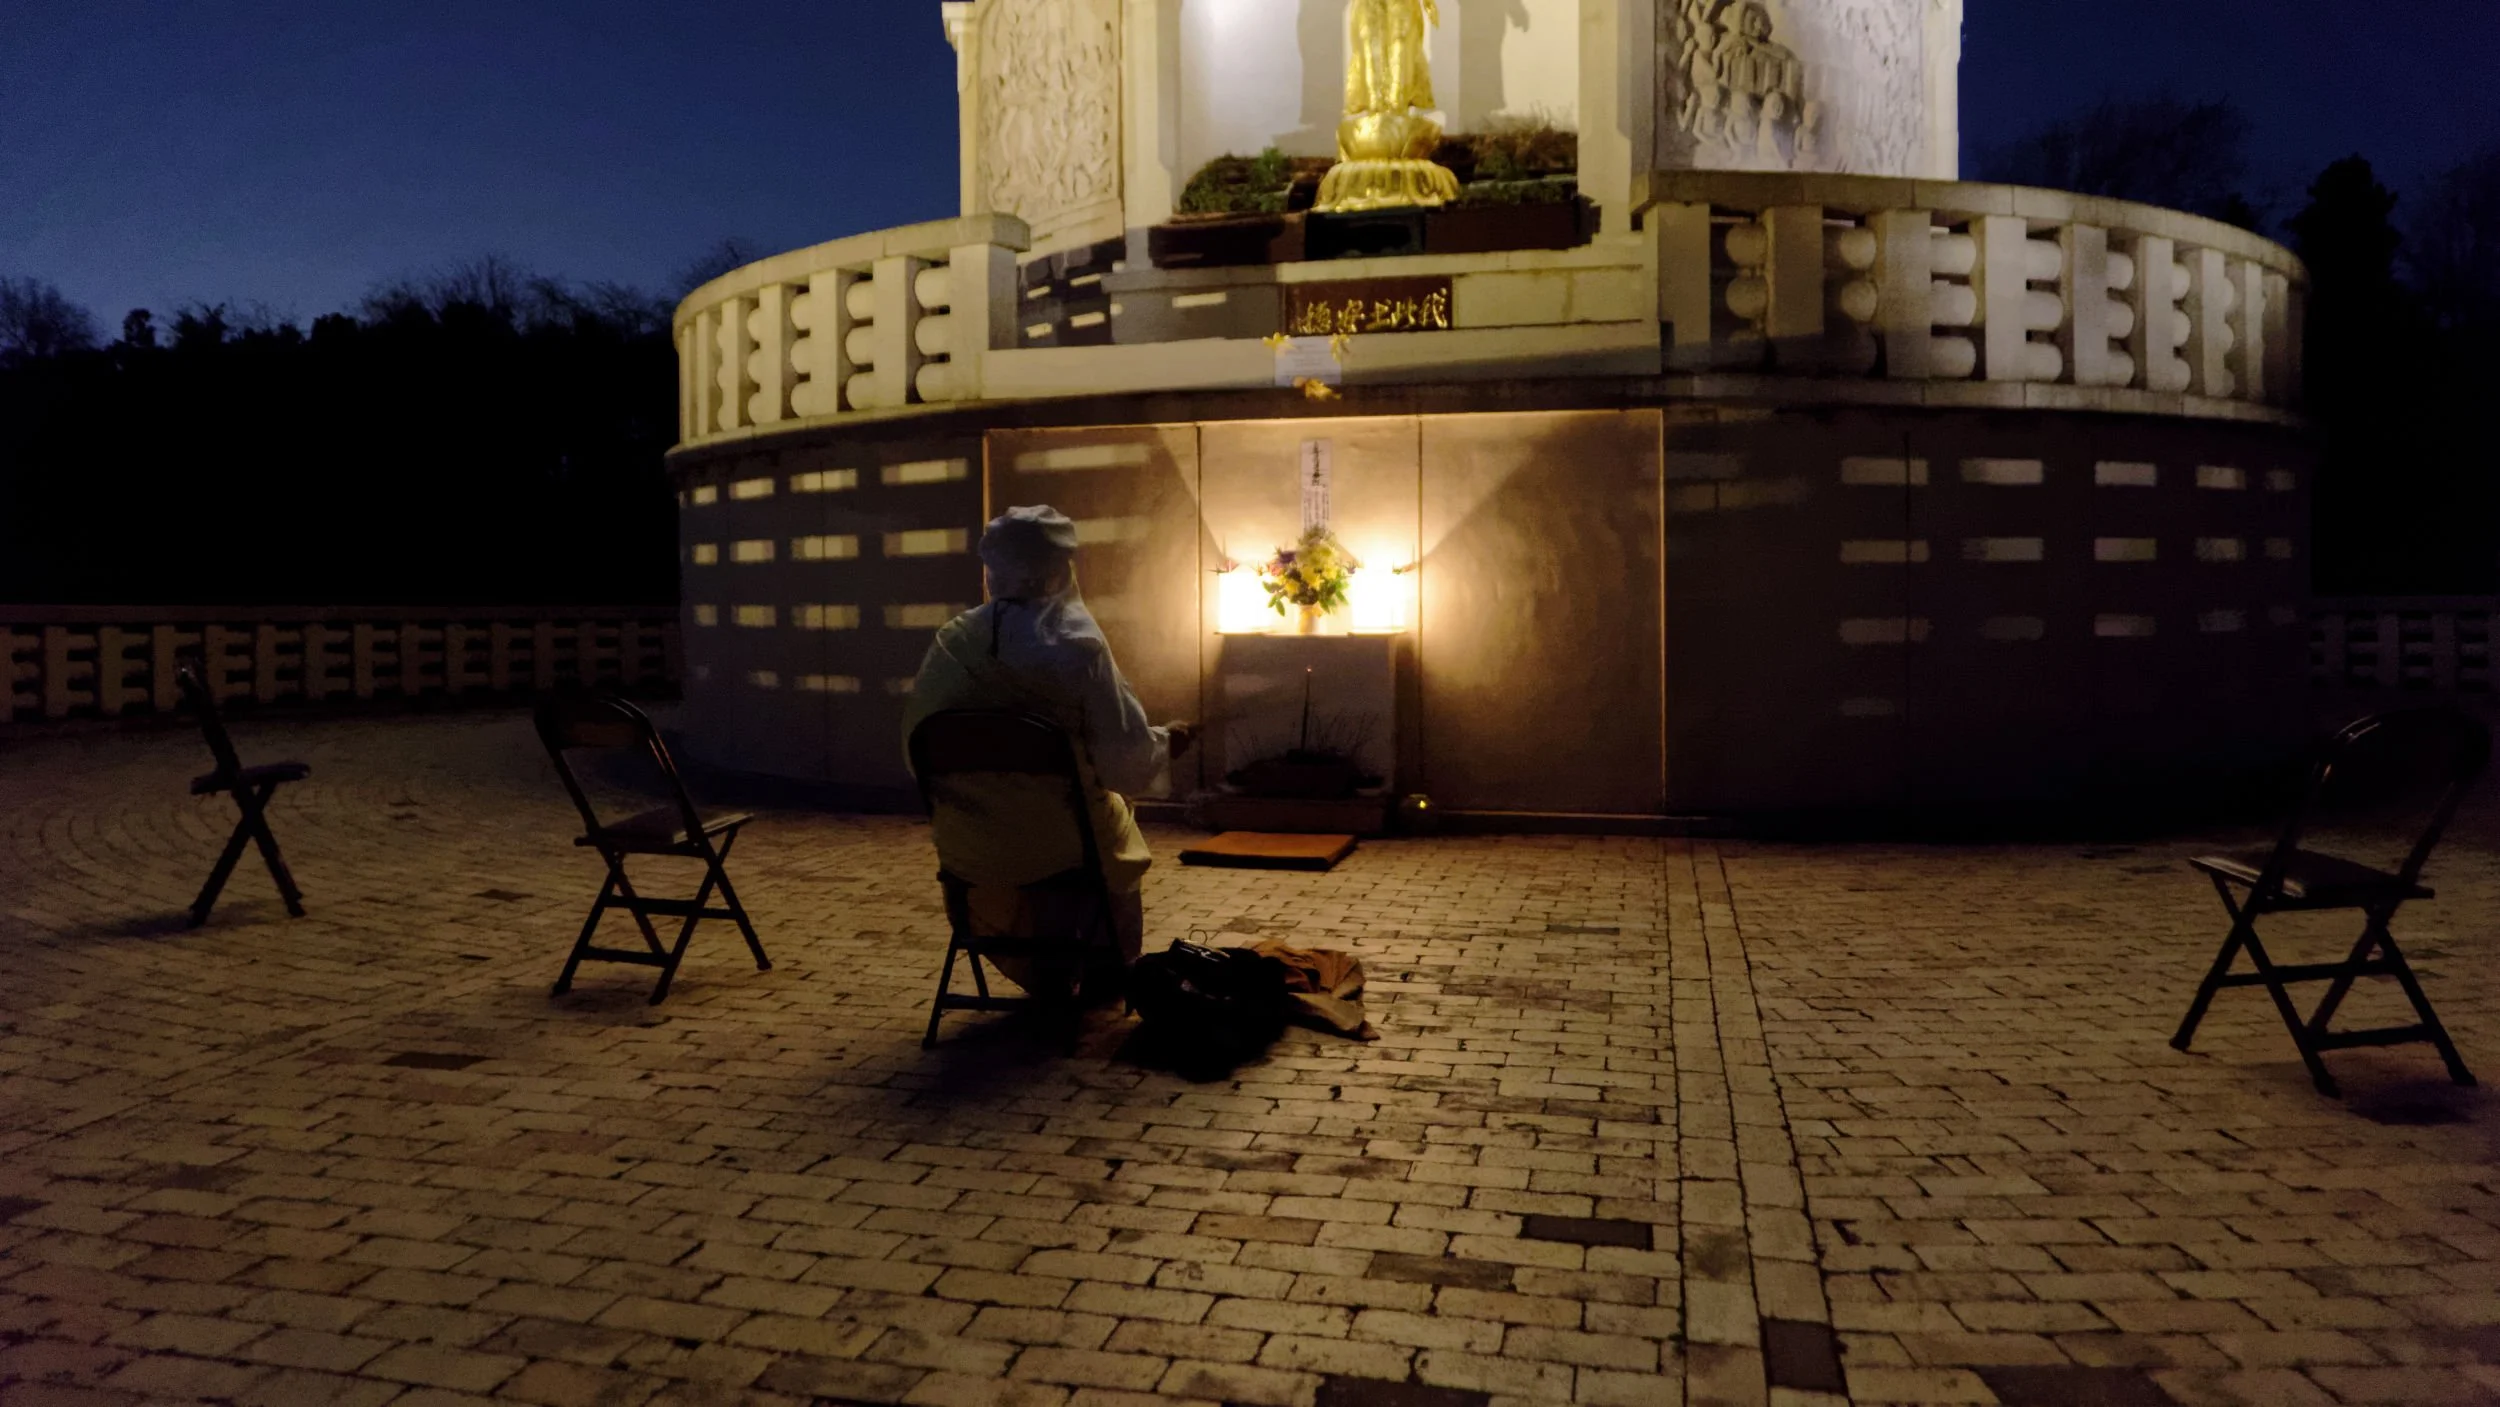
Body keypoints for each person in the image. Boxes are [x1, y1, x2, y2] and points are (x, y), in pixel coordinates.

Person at [902, 505, 1195, 994]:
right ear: (1062, 570)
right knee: (1118, 815)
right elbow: (1126, 763)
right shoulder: (1080, 648)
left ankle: (1043, 970)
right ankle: (1106, 971)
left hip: (968, 846)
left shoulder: (953, 641)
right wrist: (1170, 741)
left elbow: (917, 752)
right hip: (1062, 846)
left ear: (991, 571)